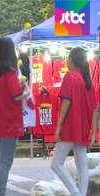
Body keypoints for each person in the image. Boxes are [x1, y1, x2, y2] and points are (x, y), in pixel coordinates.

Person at [0, 37, 30, 196]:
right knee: (5, 163)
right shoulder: (10, 73)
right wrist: (27, 91)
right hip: (10, 121)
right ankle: (0, 193)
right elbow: (16, 95)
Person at [51, 47, 97, 196]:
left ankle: (76, 193)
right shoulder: (87, 80)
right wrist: (93, 131)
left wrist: (58, 127)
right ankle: (81, 194)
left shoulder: (70, 77)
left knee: (56, 163)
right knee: (82, 164)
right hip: (83, 127)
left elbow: (66, 102)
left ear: (71, 60)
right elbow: (94, 109)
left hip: (70, 126)